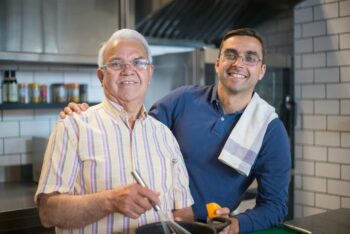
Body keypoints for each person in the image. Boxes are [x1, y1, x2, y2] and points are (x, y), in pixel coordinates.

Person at [61, 28, 291, 234]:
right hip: (150, 222)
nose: (238, 63)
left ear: (261, 71)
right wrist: (91, 114)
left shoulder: (269, 129)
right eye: (231, 54)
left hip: (207, 228)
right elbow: (133, 130)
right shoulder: (183, 99)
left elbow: (275, 206)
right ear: (218, 63)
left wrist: (236, 224)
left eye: (250, 58)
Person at [34, 28, 194, 234]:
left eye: (138, 62)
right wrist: (109, 201)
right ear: (101, 75)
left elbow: (182, 212)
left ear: (150, 72)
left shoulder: (165, 136)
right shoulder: (73, 127)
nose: (128, 70)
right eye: (116, 63)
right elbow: (48, 213)